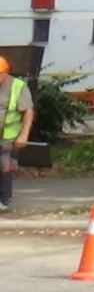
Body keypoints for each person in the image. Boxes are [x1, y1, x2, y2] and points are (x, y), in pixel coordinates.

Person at [0, 56, 36, 212]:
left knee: (4, 167)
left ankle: (4, 200)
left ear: (6, 72)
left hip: (8, 137)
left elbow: (28, 111)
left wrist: (24, 135)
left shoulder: (17, 86)